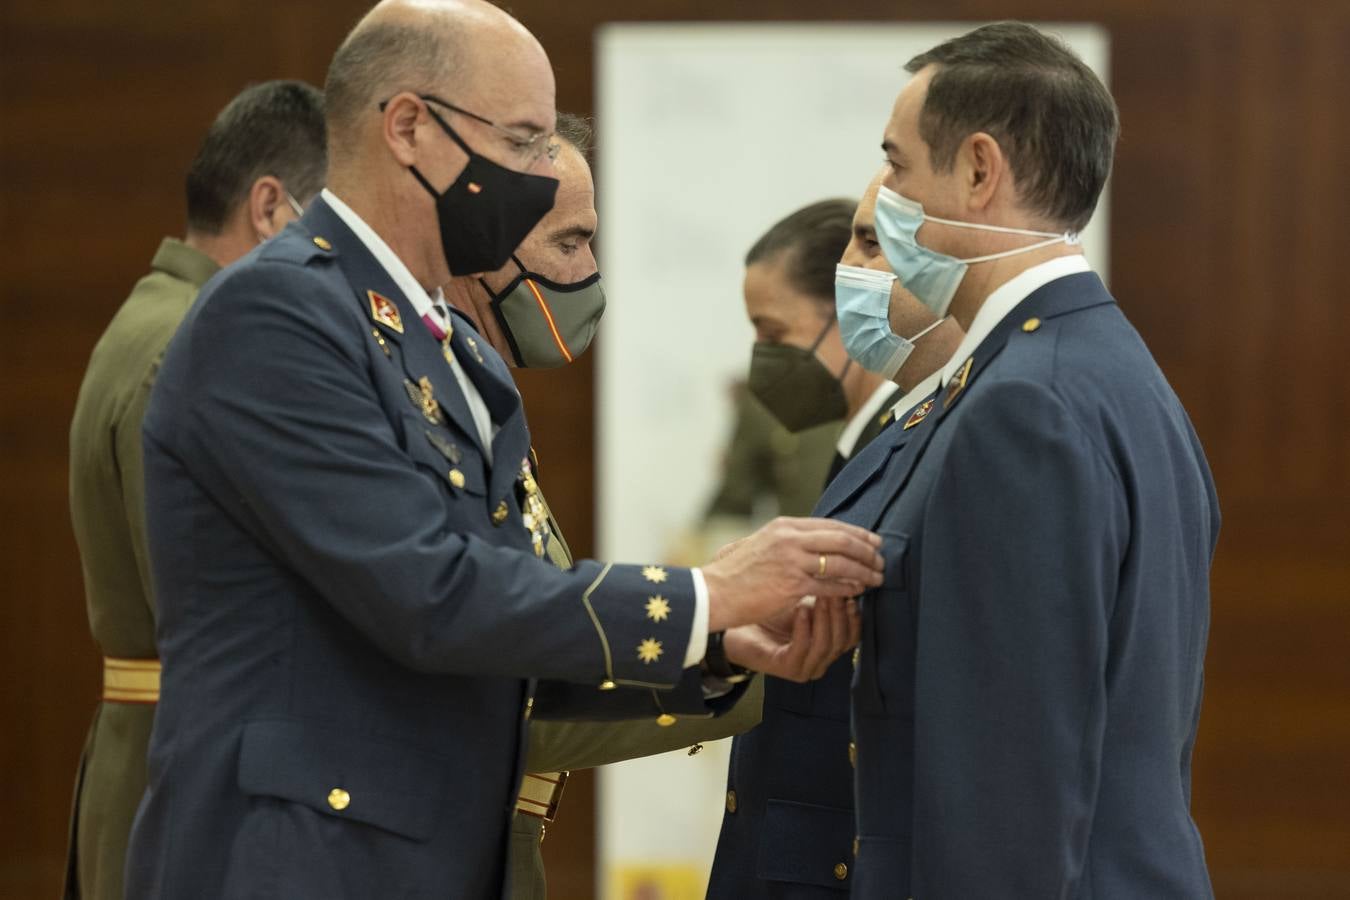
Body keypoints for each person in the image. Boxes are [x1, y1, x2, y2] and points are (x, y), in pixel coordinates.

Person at [123, 2, 883, 897]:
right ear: (409, 127)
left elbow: (506, 642)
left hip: (424, 852)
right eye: (521, 141)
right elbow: (428, 595)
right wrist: (704, 593)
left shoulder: (452, 349)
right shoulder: (280, 314)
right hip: (298, 859)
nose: (540, 172)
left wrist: (714, 641)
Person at [825, 22, 1219, 897]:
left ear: (976, 170)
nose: (885, 194)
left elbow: (1006, 775)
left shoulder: (1022, 404)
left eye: (897, 166)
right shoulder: (1108, 364)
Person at [443, 113, 805, 900]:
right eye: (570, 243)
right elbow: (499, 672)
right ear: (485, 236)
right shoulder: (427, 398)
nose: (592, 271)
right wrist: (711, 615)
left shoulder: (477, 395)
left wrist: (722, 647)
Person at [63, 79, 326, 900]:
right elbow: (207, 609)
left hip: (172, 751)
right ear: (272, 208)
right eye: (331, 222)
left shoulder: (162, 320)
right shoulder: (190, 346)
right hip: (190, 775)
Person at [708, 188, 962, 895]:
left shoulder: (915, 442)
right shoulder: (860, 449)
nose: (762, 360)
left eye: (773, 332)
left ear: (843, 308)